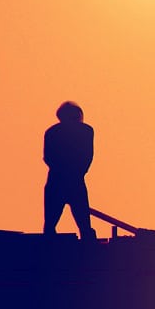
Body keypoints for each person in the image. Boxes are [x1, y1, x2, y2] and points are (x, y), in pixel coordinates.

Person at [43, 101, 96, 239]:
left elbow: (47, 157)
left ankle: (49, 246)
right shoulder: (86, 131)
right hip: (71, 181)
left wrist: (66, 171)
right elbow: (87, 155)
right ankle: (88, 246)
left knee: (51, 225)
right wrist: (76, 172)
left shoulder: (52, 132)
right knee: (83, 225)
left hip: (58, 180)